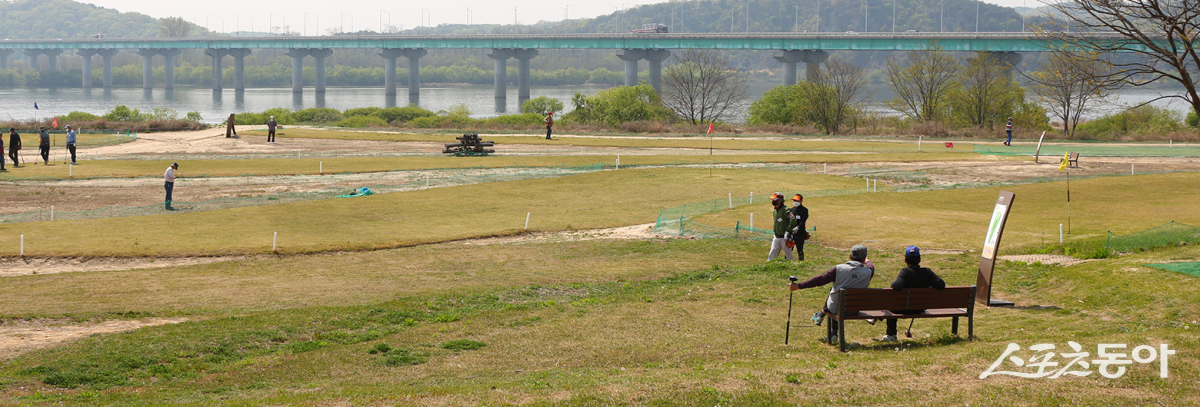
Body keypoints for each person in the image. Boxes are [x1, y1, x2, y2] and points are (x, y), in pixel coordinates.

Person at [789, 244, 875, 342]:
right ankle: (826, 324)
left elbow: (819, 280)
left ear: (850, 256)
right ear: (864, 258)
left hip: (835, 308)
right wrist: (867, 261)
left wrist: (799, 286)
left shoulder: (839, 269)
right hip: (854, 309)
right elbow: (871, 266)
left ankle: (827, 324)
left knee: (835, 294)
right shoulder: (868, 272)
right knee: (838, 296)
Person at [880, 246, 946, 342]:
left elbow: (897, 286)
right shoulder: (927, 272)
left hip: (901, 309)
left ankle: (891, 335)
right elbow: (941, 285)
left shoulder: (905, 272)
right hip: (919, 308)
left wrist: (892, 285)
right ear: (919, 260)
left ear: (905, 260)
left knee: (891, 305)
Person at [768, 192, 795, 261]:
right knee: (772, 254)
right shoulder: (775, 210)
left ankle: (792, 266)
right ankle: (769, 265)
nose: (773, 201)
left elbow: (793, 219)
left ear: (779, 200)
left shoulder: (786, 210)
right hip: (776, 236)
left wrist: (788, 230)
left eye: (774, 200)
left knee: (789, 255)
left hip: (784, 237)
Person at [789, 194, 810, 261]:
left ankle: (801, 262)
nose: (795, 202)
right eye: (794, 200)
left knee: (800, 249)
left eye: (797, 200)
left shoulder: (804, 210)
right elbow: (789, 219)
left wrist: (798, 227)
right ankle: (787, 261)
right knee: (789, 249)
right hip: (792, 233)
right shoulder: (791, 210)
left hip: (800, 233)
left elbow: (803, 220)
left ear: (801, 201)